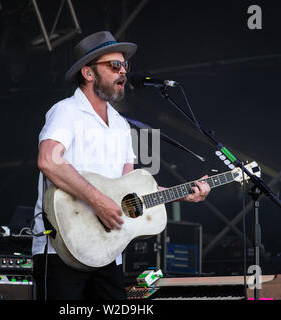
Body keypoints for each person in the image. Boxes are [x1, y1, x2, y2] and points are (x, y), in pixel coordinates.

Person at [32, 31, 211, 300]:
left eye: (125, 65)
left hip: (106, 249)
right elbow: (48, 160)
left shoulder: (120, 124)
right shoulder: (66, 111)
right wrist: (99, 201)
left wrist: (183, 193)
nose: (123, 72)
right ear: (88, 73)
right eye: (114, 65)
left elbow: (129, 193)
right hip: (63, 247)